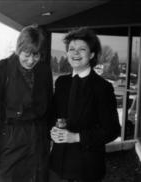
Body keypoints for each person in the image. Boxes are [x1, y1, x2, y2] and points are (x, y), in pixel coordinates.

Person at [0, 25, 53, 182]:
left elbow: (49, 107)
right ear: (18, 49)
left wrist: (49, 136)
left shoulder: (44, 70)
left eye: (36, 55)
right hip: (9, 140)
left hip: (37, 139)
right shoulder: (0, 69)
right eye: (27, 54)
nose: (31, 60)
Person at [49, 27, 121, 182]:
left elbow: (113, 130)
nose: (75, 53)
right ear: (67, 53)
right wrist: (52, 129)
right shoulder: (62, 83)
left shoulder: (103, 88)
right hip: (57, 166)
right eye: (71, 49)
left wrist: (76, 137)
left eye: (82, 49)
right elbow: (54, 115)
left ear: (92, 54)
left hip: (87, 169)